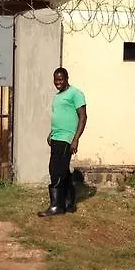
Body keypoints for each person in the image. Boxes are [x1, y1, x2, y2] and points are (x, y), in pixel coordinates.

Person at [39, 67, 87, 217]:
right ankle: (68, 203)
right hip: (56, 137)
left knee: (56, 170)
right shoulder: (58, 96)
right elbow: (61, 117)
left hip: (66, 138)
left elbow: (83, 117)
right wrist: (51, 133)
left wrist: (76, 139)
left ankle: (56, 206)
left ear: (66, 78)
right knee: (63, 171)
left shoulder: (76, 94)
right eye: (55, 80)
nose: (57, 82)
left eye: (60, 79)